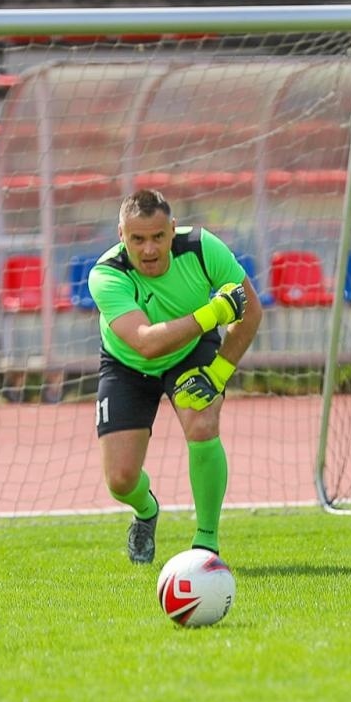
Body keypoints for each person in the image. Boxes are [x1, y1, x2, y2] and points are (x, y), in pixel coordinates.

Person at [89, 189, 263, 564]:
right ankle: (146, 510)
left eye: (157, 237)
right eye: (137, 239)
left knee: (202, 424)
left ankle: (207, 544)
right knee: (120, 480)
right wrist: (213, 313)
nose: (149, 249)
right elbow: (145, 344)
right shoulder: (106, 274)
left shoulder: (203, 248)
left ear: (172, 229)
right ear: (122, 235)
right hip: (127, 364)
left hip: (190, 351)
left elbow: (250, 312)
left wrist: (218, 374)